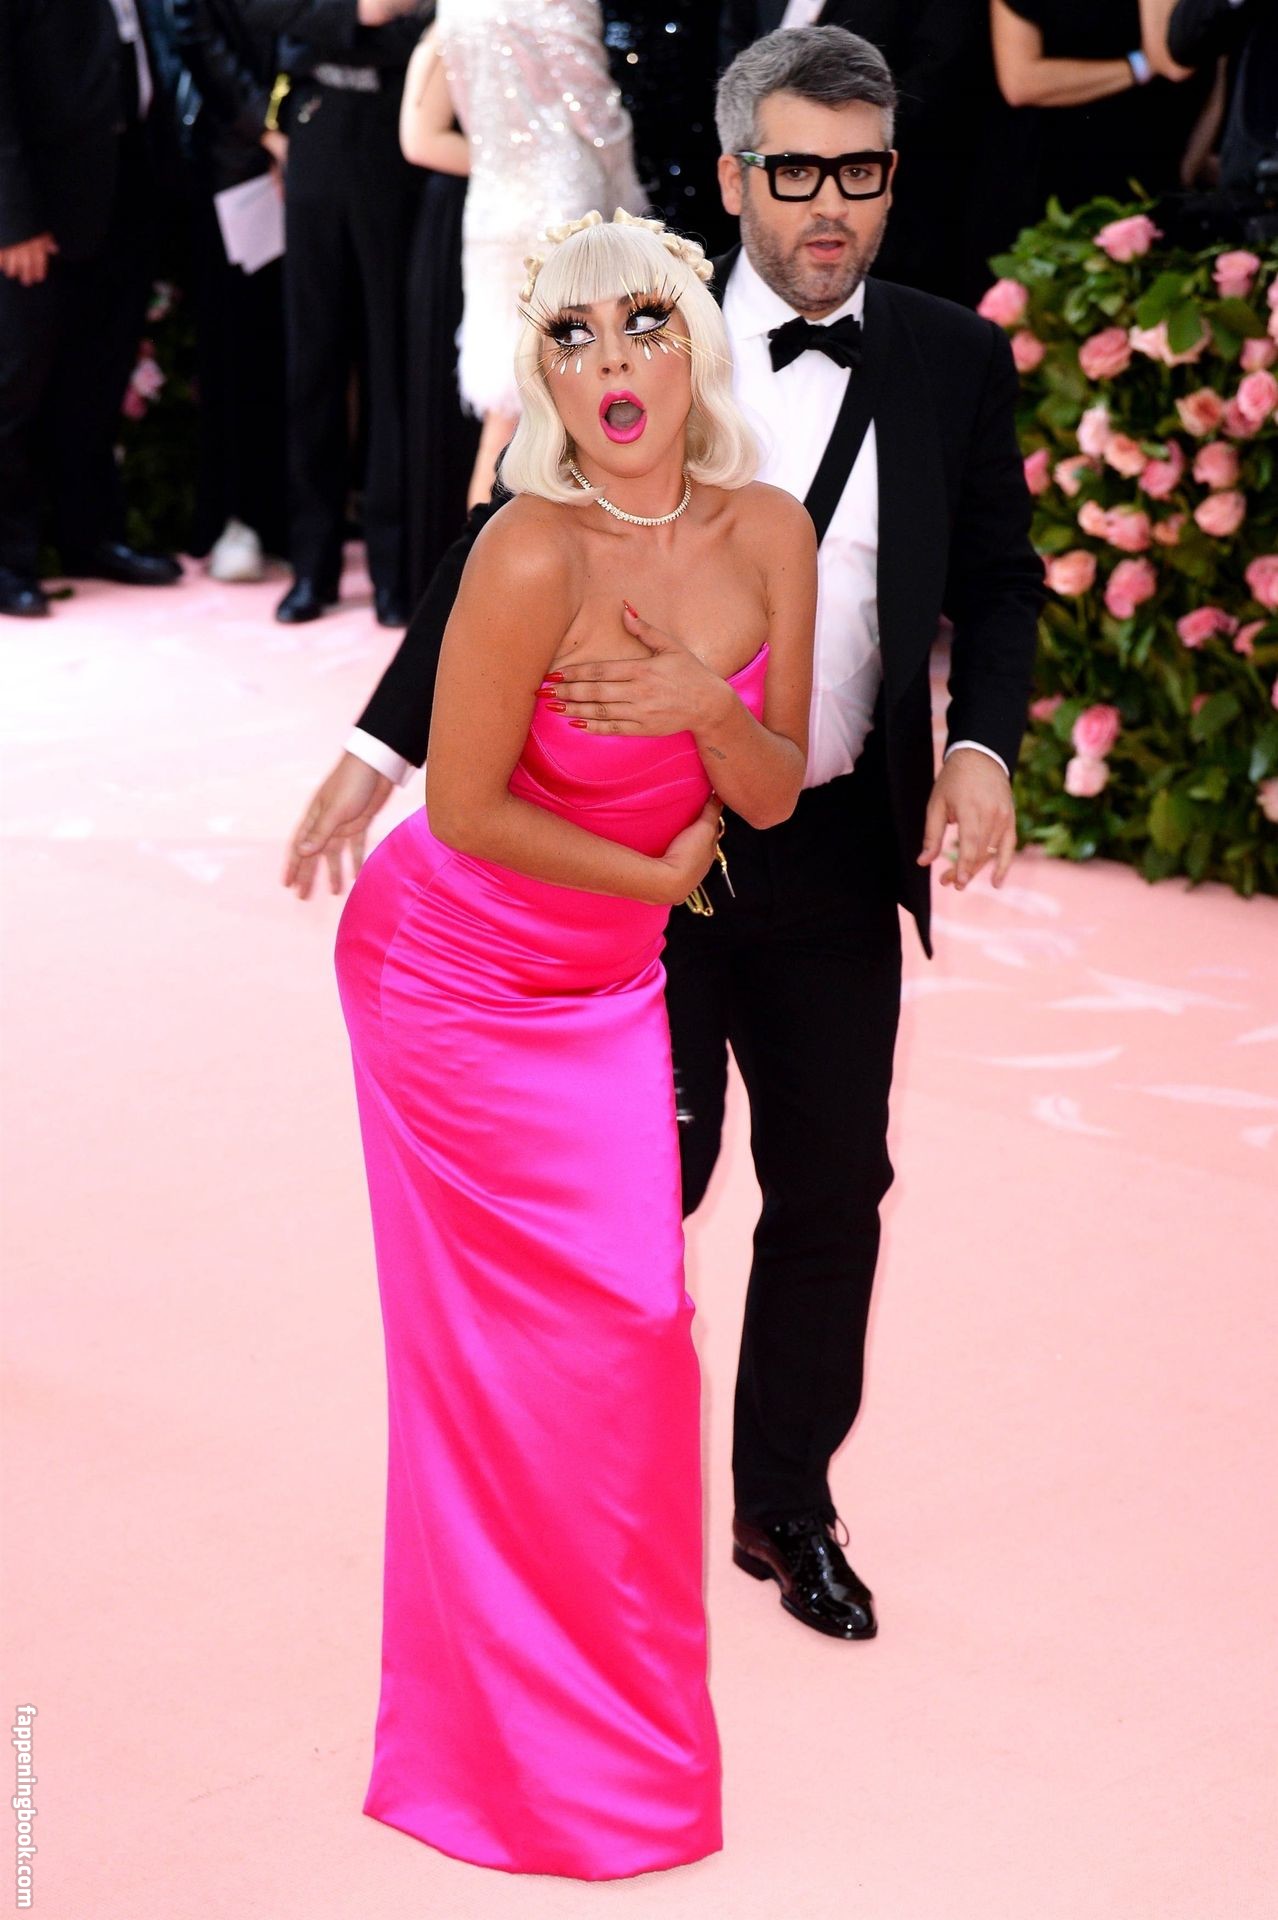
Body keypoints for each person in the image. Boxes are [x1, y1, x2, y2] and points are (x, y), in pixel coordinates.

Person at [290, 25, 1043, 1644]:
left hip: (832, 841)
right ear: (732, 176)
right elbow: (505, 549)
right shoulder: (648, 325)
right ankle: (559, 1518)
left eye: (857, 170)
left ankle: (784, 1505)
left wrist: (979, 748)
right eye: (794, 170)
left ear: (891, 178)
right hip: (649, 859)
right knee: (647, 1186)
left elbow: (995, 580)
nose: (826, 203)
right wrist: (377, 748)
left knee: (833, 1186)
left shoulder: (947, 358)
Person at [333, 206, 816, 1876]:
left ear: (695, 348)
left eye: (642, 325)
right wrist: (661, 881)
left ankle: (622, 1757)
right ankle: (487, 1756)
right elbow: (464, 809)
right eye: (572, 335)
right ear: (541, 375)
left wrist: (698, 710)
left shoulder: (768, 531)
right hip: (452, 984)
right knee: (485, 1377)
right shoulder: (527, 551)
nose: (612, 361)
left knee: (631, 1338)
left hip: (601, 997)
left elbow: (772, 787)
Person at [240, 0, 424, 628]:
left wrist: (358, 27)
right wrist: (358, 15)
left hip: (399, 135)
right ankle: (311, 567)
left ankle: (393, 570)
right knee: (312, 365)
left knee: (391, 365)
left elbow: (436, 24)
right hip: (316, 132)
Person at [0, 0, 182, 619]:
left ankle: (90, 537)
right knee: (15, 385)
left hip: (123, 181)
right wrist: (12, 218)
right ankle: (8, 561)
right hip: (39, 205)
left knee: (97, 377)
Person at [423, 0, 645, 507]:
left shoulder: (456, 7)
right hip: (565, 206)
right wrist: (630, 205)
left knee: (504, 417)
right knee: (579, 405)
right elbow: (596, 114)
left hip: (493, 208)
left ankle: (479, 552)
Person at [165, 0, 289, 579]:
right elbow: (196, 36)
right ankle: (236, 516)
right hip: (232, 162)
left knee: (305, 350)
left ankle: (294, 514)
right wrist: (267, 130)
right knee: (236, 348)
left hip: (322, 151)